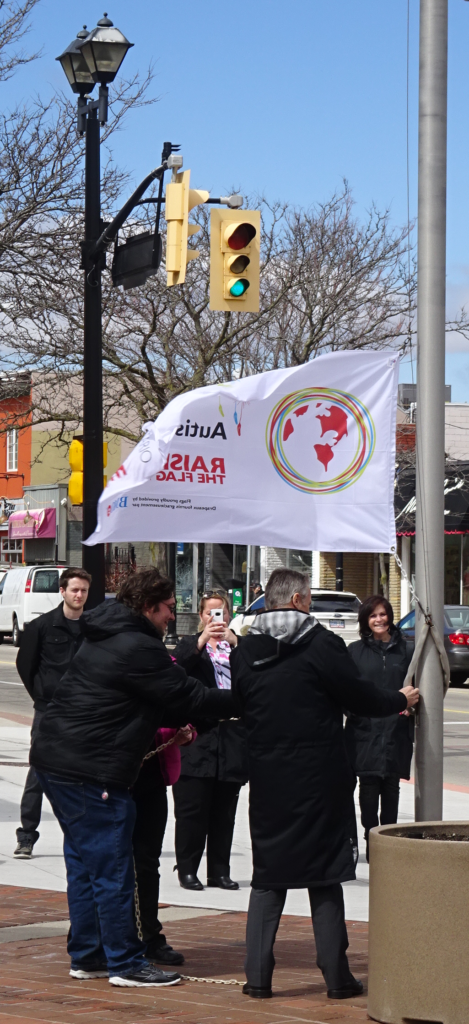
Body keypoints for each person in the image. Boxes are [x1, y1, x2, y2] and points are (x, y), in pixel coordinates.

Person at [30, 569, 235, 989]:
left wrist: (195, 720)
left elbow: (163, 703)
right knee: (113, 869)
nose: (169, 619)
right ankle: (125, 962)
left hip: (58, 762)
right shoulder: (138, 645)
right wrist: (250, 701)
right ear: (149, 606)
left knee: (85, 866)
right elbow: (187, 696)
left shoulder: (105, 633)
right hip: (92, 771)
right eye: (166, 610)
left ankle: (88, 956)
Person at [230, 567, 419, 1001]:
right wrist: (398, 700)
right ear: (297, 600)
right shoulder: (323, 645)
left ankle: (257, 978)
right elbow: (359, 697)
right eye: (308, 598)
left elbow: (241, 703)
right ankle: (337, 978)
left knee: (268, 877)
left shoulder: (246, 650)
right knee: (325, 875)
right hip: (320, 777)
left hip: (269, 778)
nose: (310, 604)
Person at [173, 590, 248, 890]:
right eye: (210, 613)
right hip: (199, 737)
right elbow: (176, 673)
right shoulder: (190, 645)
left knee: (224, 812)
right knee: (192, 810)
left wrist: (236, 644)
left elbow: (256, 676)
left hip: (232, 738)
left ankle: (219, 870)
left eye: (221, 613)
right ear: (201, 617)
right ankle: (188, 868)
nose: (216, 619)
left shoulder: (239, 647)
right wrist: (202, 641)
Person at [14, 567, 91, 858]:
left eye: (83, 590)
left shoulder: (93, 628)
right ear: (62, 591)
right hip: (49, 712)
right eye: (74, 589)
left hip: (84, 713)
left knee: (83, 774)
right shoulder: (42, 626)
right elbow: (26, 666)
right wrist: (42, 695)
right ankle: (26, 835)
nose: (79, 595)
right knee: (38, 772)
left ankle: (81, 835)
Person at [344, 595, 413, 863]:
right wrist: (354, 711)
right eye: (373, 615)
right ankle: (371, 836)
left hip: (395, 729)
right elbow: (345, 689)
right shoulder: (354, 651)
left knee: (392, 786)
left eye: (383, 614)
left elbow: (420, 685)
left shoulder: (407, 650)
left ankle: (388, 842)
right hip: (365, 730)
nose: (379, 620)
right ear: (366, 620)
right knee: (369, 786)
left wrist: (411, 707)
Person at [132, 722, 195, 966]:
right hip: (113, 775)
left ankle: (149, 937)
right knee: (107, 862)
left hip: (152, 776)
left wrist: (186, 732)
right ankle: (101, 938)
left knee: (146, 862)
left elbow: (184, 714)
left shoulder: (162, 683)